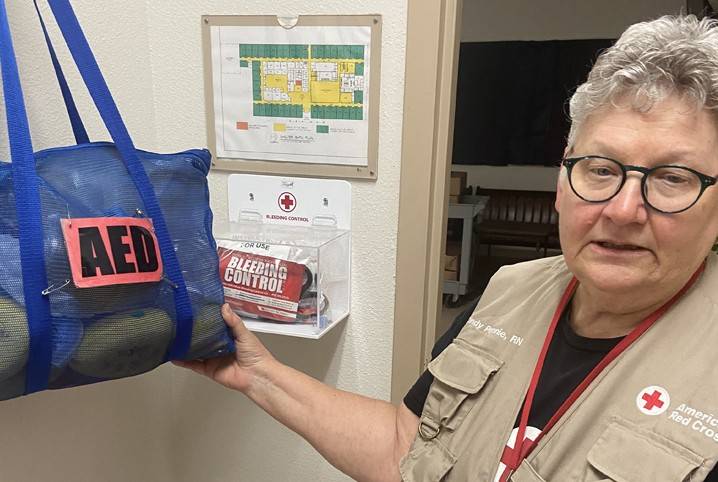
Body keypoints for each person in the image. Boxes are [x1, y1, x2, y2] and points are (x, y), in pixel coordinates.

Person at [175, 14, 718, 481]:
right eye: (601, 170)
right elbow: (403, 449)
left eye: (672, 178)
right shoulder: (510, 290)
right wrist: (259, 374)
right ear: (563, 177)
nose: (623, 209)